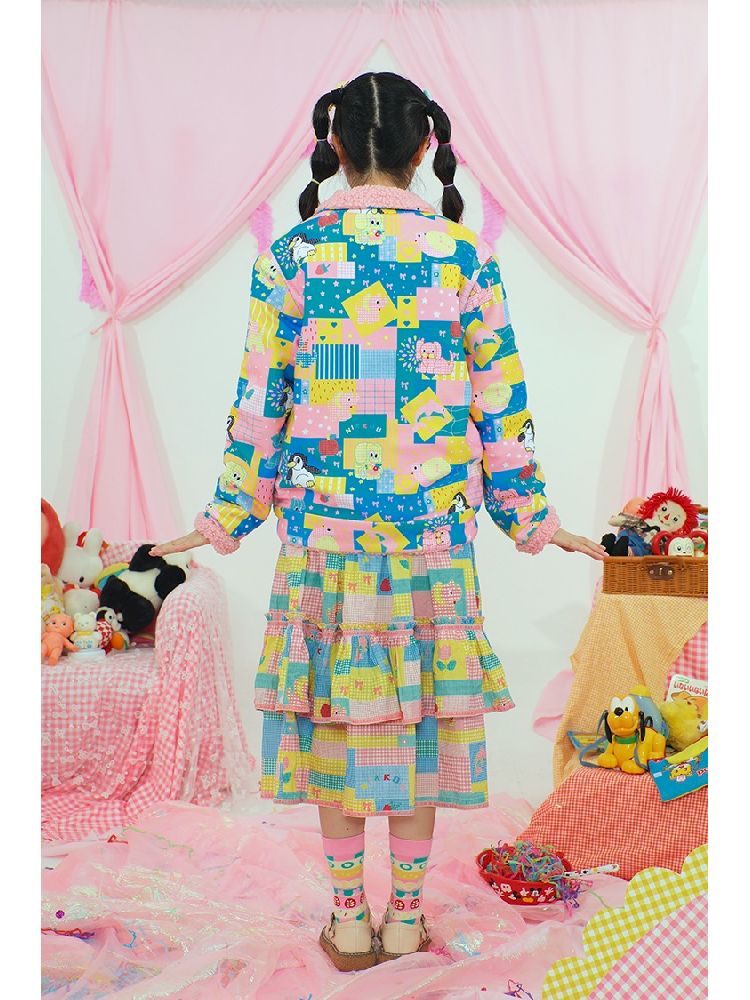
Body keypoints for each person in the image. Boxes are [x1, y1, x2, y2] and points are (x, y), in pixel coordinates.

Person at [152, 71, 606, 971]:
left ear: (333, 145)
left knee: (336, 730)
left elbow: (260, 403)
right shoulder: (465, 258)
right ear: (425, 146)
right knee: (419, 730)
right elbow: (501, 406)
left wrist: (226, 514)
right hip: (430, 542)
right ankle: (405, 919)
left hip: (324, 541)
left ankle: (348, 920)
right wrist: (532, 516)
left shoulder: (290, 257)